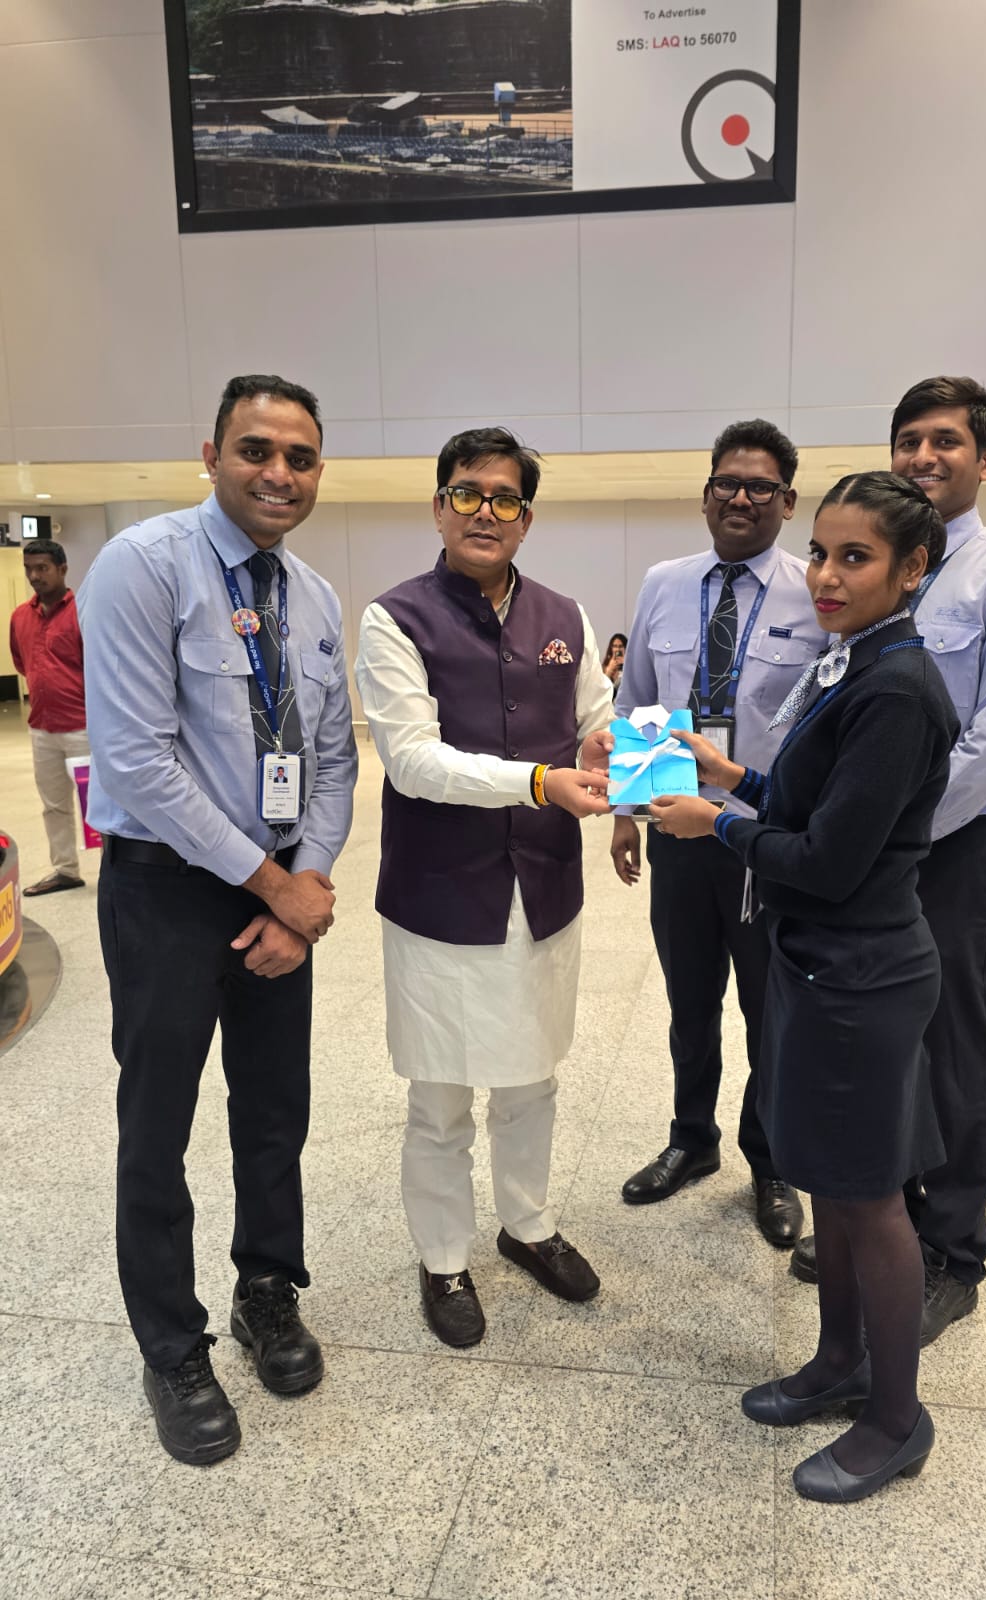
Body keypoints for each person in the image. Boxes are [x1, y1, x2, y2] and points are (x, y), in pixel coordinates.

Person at [652, 471, 958, 1503]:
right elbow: (807, 795)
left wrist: (718, 825)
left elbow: (827, 858)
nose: (825, 575)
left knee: (870, 1200)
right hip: (817, 960)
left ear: (913, 568)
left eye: (856, 557)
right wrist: (730, 774)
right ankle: (838, 1363)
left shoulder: (899, 688)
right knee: (832, 1177)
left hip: (862, 970)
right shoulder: (851, 660)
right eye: (821, 552)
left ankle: (895, 1417)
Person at [78, 374, 358, 1466]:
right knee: (157, 1124)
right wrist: (269, 881)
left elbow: (332, 758)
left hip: (282, 889)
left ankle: (267, 1289)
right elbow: (140, 763)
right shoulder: (144, 567)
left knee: (274, 1108)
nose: (278, 472)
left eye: (299, 456)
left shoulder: (317, 599)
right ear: (212, 453)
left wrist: (309, 880)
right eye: (256, 450)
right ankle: (171, 1343)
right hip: (167, 888)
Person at [789, 377, 986, 1345]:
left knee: (953, 1048)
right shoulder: (876, 574)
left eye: (946, 440)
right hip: (878, 852)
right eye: (908, 438)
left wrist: (886, 836)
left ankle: (954, 1250)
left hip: (953, 850)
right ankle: (886, 1214)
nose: (923, 455)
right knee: (882, 1050)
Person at [355, 426, 614, 1349]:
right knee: (439, 1094)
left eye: (505, 499)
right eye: (467, 494)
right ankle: (442, 1255)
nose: (485, 513)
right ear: (438, 506)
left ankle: (528, 1226)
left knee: (533, 1078)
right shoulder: (396, 618)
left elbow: (598, 717)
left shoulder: (564, 616)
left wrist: (604, 752)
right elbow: (413, 761)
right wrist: (540, 781)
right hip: (439, 895)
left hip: (541, 887)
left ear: (526, 518)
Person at [612, 419, 825, 1246]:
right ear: (706, 493)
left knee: (769, 1009)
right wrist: (630, 817)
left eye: (761, 488)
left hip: (765, 840)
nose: (741, 498)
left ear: (787, 502)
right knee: (688, 1002)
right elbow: (637, 702)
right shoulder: (666, 582)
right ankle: (690, 1140)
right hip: (677, 832)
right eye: (727, 483)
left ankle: (771, 1163)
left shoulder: (815, 590)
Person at [9, 538, 89, 895]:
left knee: (98, 805)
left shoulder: (83, 611)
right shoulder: (20, 616)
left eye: (42, 568)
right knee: (53, 805)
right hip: (42, 728)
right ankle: (65, 869)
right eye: (29, 569)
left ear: (62, 569)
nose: (34, 575)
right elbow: (21, 663)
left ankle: (116, 873)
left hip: (83, 726)